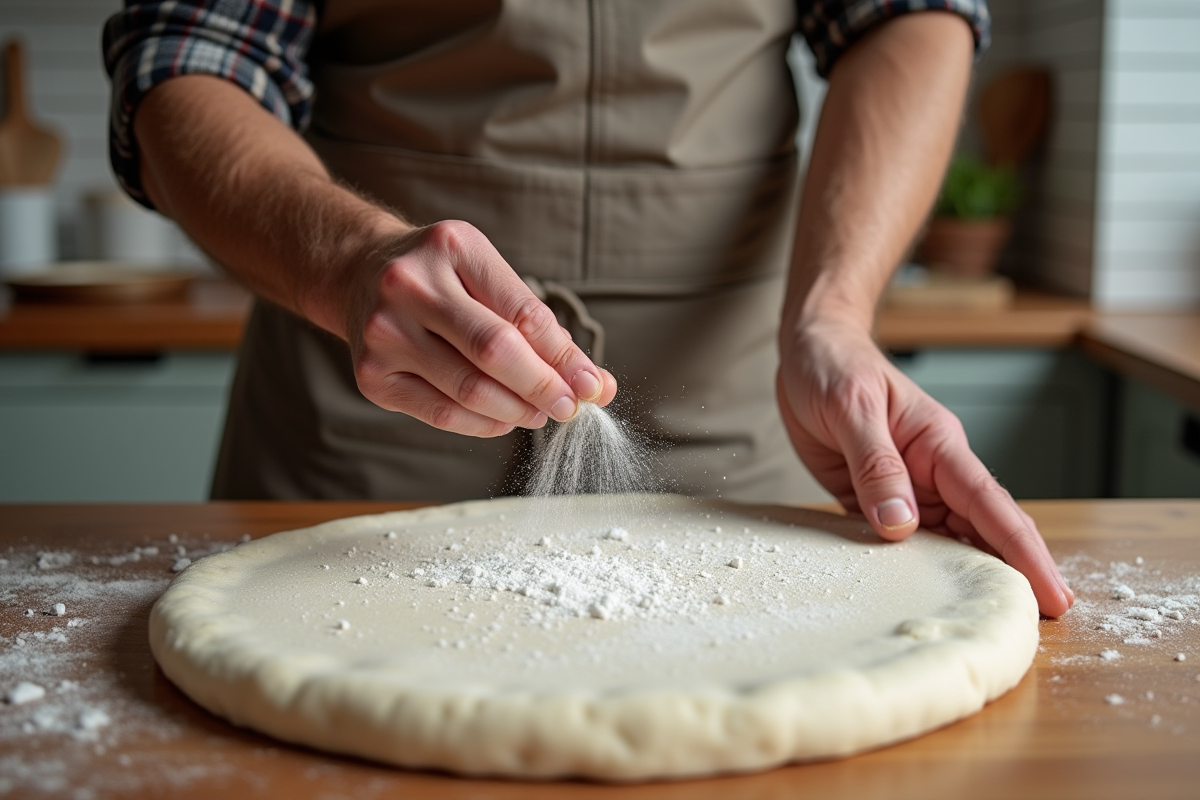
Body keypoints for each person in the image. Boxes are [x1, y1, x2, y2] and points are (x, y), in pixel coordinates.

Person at [103, 0, 1073, 617]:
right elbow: (188, 59)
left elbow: (909, 17)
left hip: (742, 407)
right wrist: (350, 262)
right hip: (365, 408)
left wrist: (833, 313)